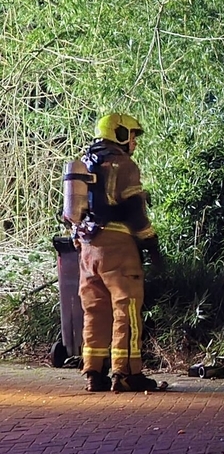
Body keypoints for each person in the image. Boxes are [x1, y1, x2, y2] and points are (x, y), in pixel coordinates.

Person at [63, 113, 167, 392]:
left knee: (94, 310)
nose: (134, 141)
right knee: (127, 308)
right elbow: (134, 211)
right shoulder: (124, 164)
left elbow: (74, 213)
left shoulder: (84, 163)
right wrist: (151, 242)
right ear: (118, 133)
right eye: (131, 134)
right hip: (118, 247)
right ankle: (127, 372)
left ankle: (93, 373)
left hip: (87, 249)